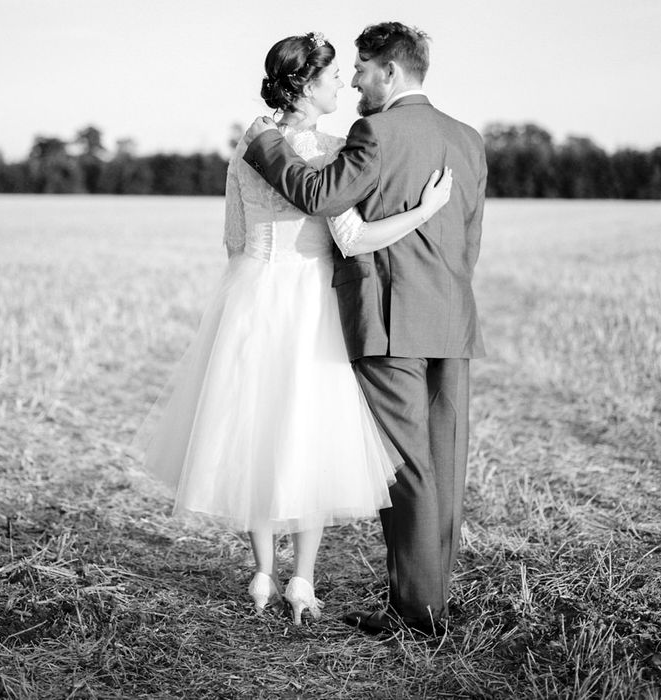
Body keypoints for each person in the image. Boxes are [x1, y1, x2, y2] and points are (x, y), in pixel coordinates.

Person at [140, 31, 452, 626]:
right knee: (312, 430)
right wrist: (424, 211)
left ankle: (261, 572)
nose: (344, 84)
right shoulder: (331, 150)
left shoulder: (248, 145)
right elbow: (354, 238)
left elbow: (232, 237)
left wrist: (256, 275)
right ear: (308, 85)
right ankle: (302, 582)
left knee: (254, 428)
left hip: (252, 295)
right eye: (335, 76)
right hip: (309, 299)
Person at [243, 21, 487, 635]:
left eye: (360, 69)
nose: (353, 80)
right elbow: (470, 241)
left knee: (408, 470)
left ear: (390, 72)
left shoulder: (375, 131)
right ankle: (433, 600)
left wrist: (266, 144)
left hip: (389, 318)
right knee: (445, 466)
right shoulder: (469, 139)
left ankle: (417, 613)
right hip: (451, 318)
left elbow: (320, 193)